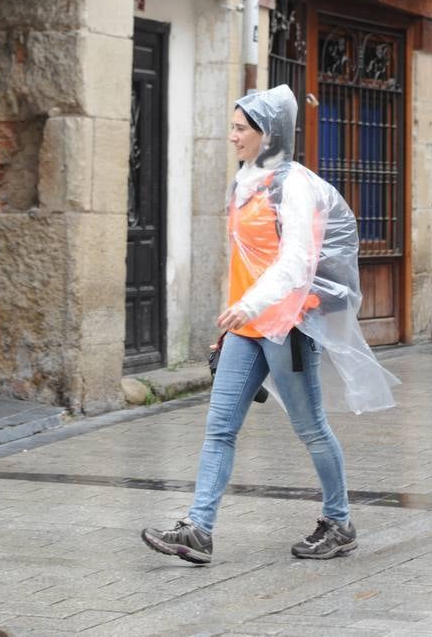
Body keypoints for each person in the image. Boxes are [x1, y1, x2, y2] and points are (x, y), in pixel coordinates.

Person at [141, 85, 400, 565]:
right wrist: (237, 313)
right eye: (233, 126)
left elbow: (298, 263)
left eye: (241, 128)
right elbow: (248, 259)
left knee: (311, 427)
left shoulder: (294, 186)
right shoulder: (244, 181)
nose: (232, 136)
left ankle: (339, 522)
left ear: (267, 133)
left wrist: (251, 303)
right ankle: (199, 529)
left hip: (289, 326)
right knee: (219, 428)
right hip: (247, 327)